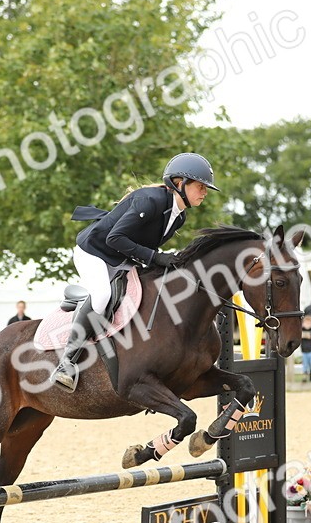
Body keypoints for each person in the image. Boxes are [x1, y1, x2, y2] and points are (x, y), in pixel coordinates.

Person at [52, 152, 217, 391]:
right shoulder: (149, 201)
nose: (205, 192)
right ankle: (67, 361)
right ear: (180, 183)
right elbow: (114, 238)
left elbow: (144, 245)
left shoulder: (178, 216)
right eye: (201, 186)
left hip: (122, 256)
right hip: (94, 252)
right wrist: (155, 257)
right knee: (102, 296)